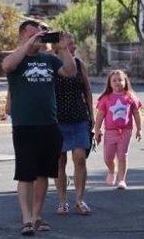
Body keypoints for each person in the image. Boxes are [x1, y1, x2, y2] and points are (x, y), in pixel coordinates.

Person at [1, 20, 77, 236]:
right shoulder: (17, 59)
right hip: (25, 124)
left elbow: (70, 72)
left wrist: (62, 50)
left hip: (49, 124)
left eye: (40, 35)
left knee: (43, 174)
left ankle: (37, 216)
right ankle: (26, 219)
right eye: (32, 35)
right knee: (25, 174)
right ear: (21, 37)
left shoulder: (49, 59)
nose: (37, 39)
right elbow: (6, 66)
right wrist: (29, 46)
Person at [53, 34, 94, 215]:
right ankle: (62, 200)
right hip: (57, 119)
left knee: (80, 158)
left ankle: (79, 199)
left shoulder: (78, 64)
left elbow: (87, 89)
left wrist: (91, 115)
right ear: (59, 47)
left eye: (74, 43)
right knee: (59, 161)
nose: (74, 47)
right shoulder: (51, 65)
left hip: (78, 117)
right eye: (69, 44)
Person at [94, 69, 142, 190]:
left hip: (125, 131)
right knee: (108, 157)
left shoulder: (130, 97)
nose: (117, 82)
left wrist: (139, 129)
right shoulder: (106, 98)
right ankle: (112, 171)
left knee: (122, 156)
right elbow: (100, 115)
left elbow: (137, 113)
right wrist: (97, 129)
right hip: (110, 132)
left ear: (125, 82)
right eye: (114, 80)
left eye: (120, 80)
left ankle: (121, 180)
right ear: (110, 84)